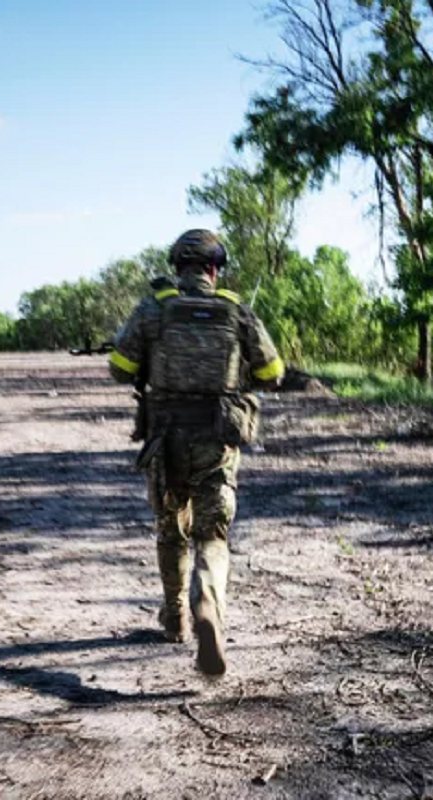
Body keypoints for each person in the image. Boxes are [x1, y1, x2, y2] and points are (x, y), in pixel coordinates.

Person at [108, 229, 284, 676]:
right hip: (216, 441)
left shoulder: (153, 309)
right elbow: (273, 371)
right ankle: (207, 607)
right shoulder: (236, 311)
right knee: (213, 535)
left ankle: (176, 618)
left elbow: (119, 368)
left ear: (178, 267)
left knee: (171, 528)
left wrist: (149, 360)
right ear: (214, 269)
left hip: (165, 438)